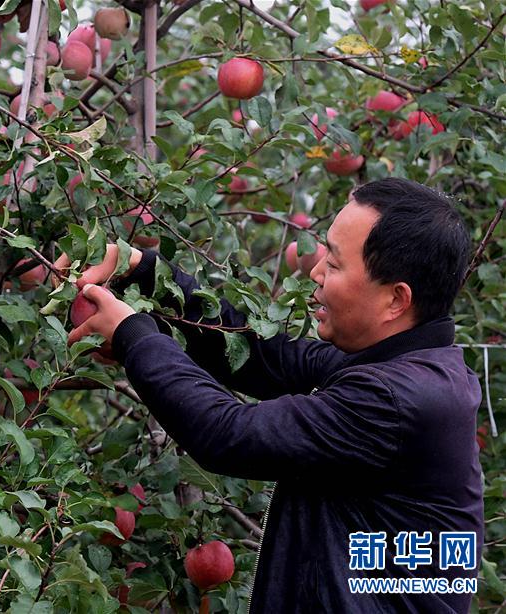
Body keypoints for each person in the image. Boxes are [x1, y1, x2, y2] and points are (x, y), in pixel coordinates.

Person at [55, 178, 483, 613]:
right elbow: (262, 356)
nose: (316, 272)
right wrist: (146, 273)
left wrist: (133, 335)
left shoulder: (396, 400)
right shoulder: (398, 367)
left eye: (335, 264)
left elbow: (227, 434)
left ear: (396, 299)